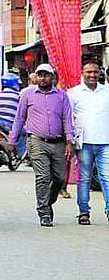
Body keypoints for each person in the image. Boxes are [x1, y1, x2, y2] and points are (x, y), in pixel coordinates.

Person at [9, 63, 74, 227]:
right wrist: (12, 140)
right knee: (43, 177)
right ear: (35, 77)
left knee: (59, 179)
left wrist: (70, 141)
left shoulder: (61, 96)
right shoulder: (27, 94)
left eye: (46, 75)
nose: (43, 78)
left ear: (52, 77)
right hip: (37, 141)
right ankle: (44, 212)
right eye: (40, 75)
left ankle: (49, 201)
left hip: (58, 142)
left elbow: (67, 119)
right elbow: (19, 118)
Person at [67, 61, 109, 225]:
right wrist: (69, 140)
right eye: (89, 72)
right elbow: (68, 118)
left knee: (107, 178)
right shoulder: (73, 93)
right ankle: (84, 212)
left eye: (95, 72)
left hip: (105, 142)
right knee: (84, 179)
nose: (92, 75)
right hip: (83, 143)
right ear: (82, 73)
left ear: (100, 73)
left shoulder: (107, 91)